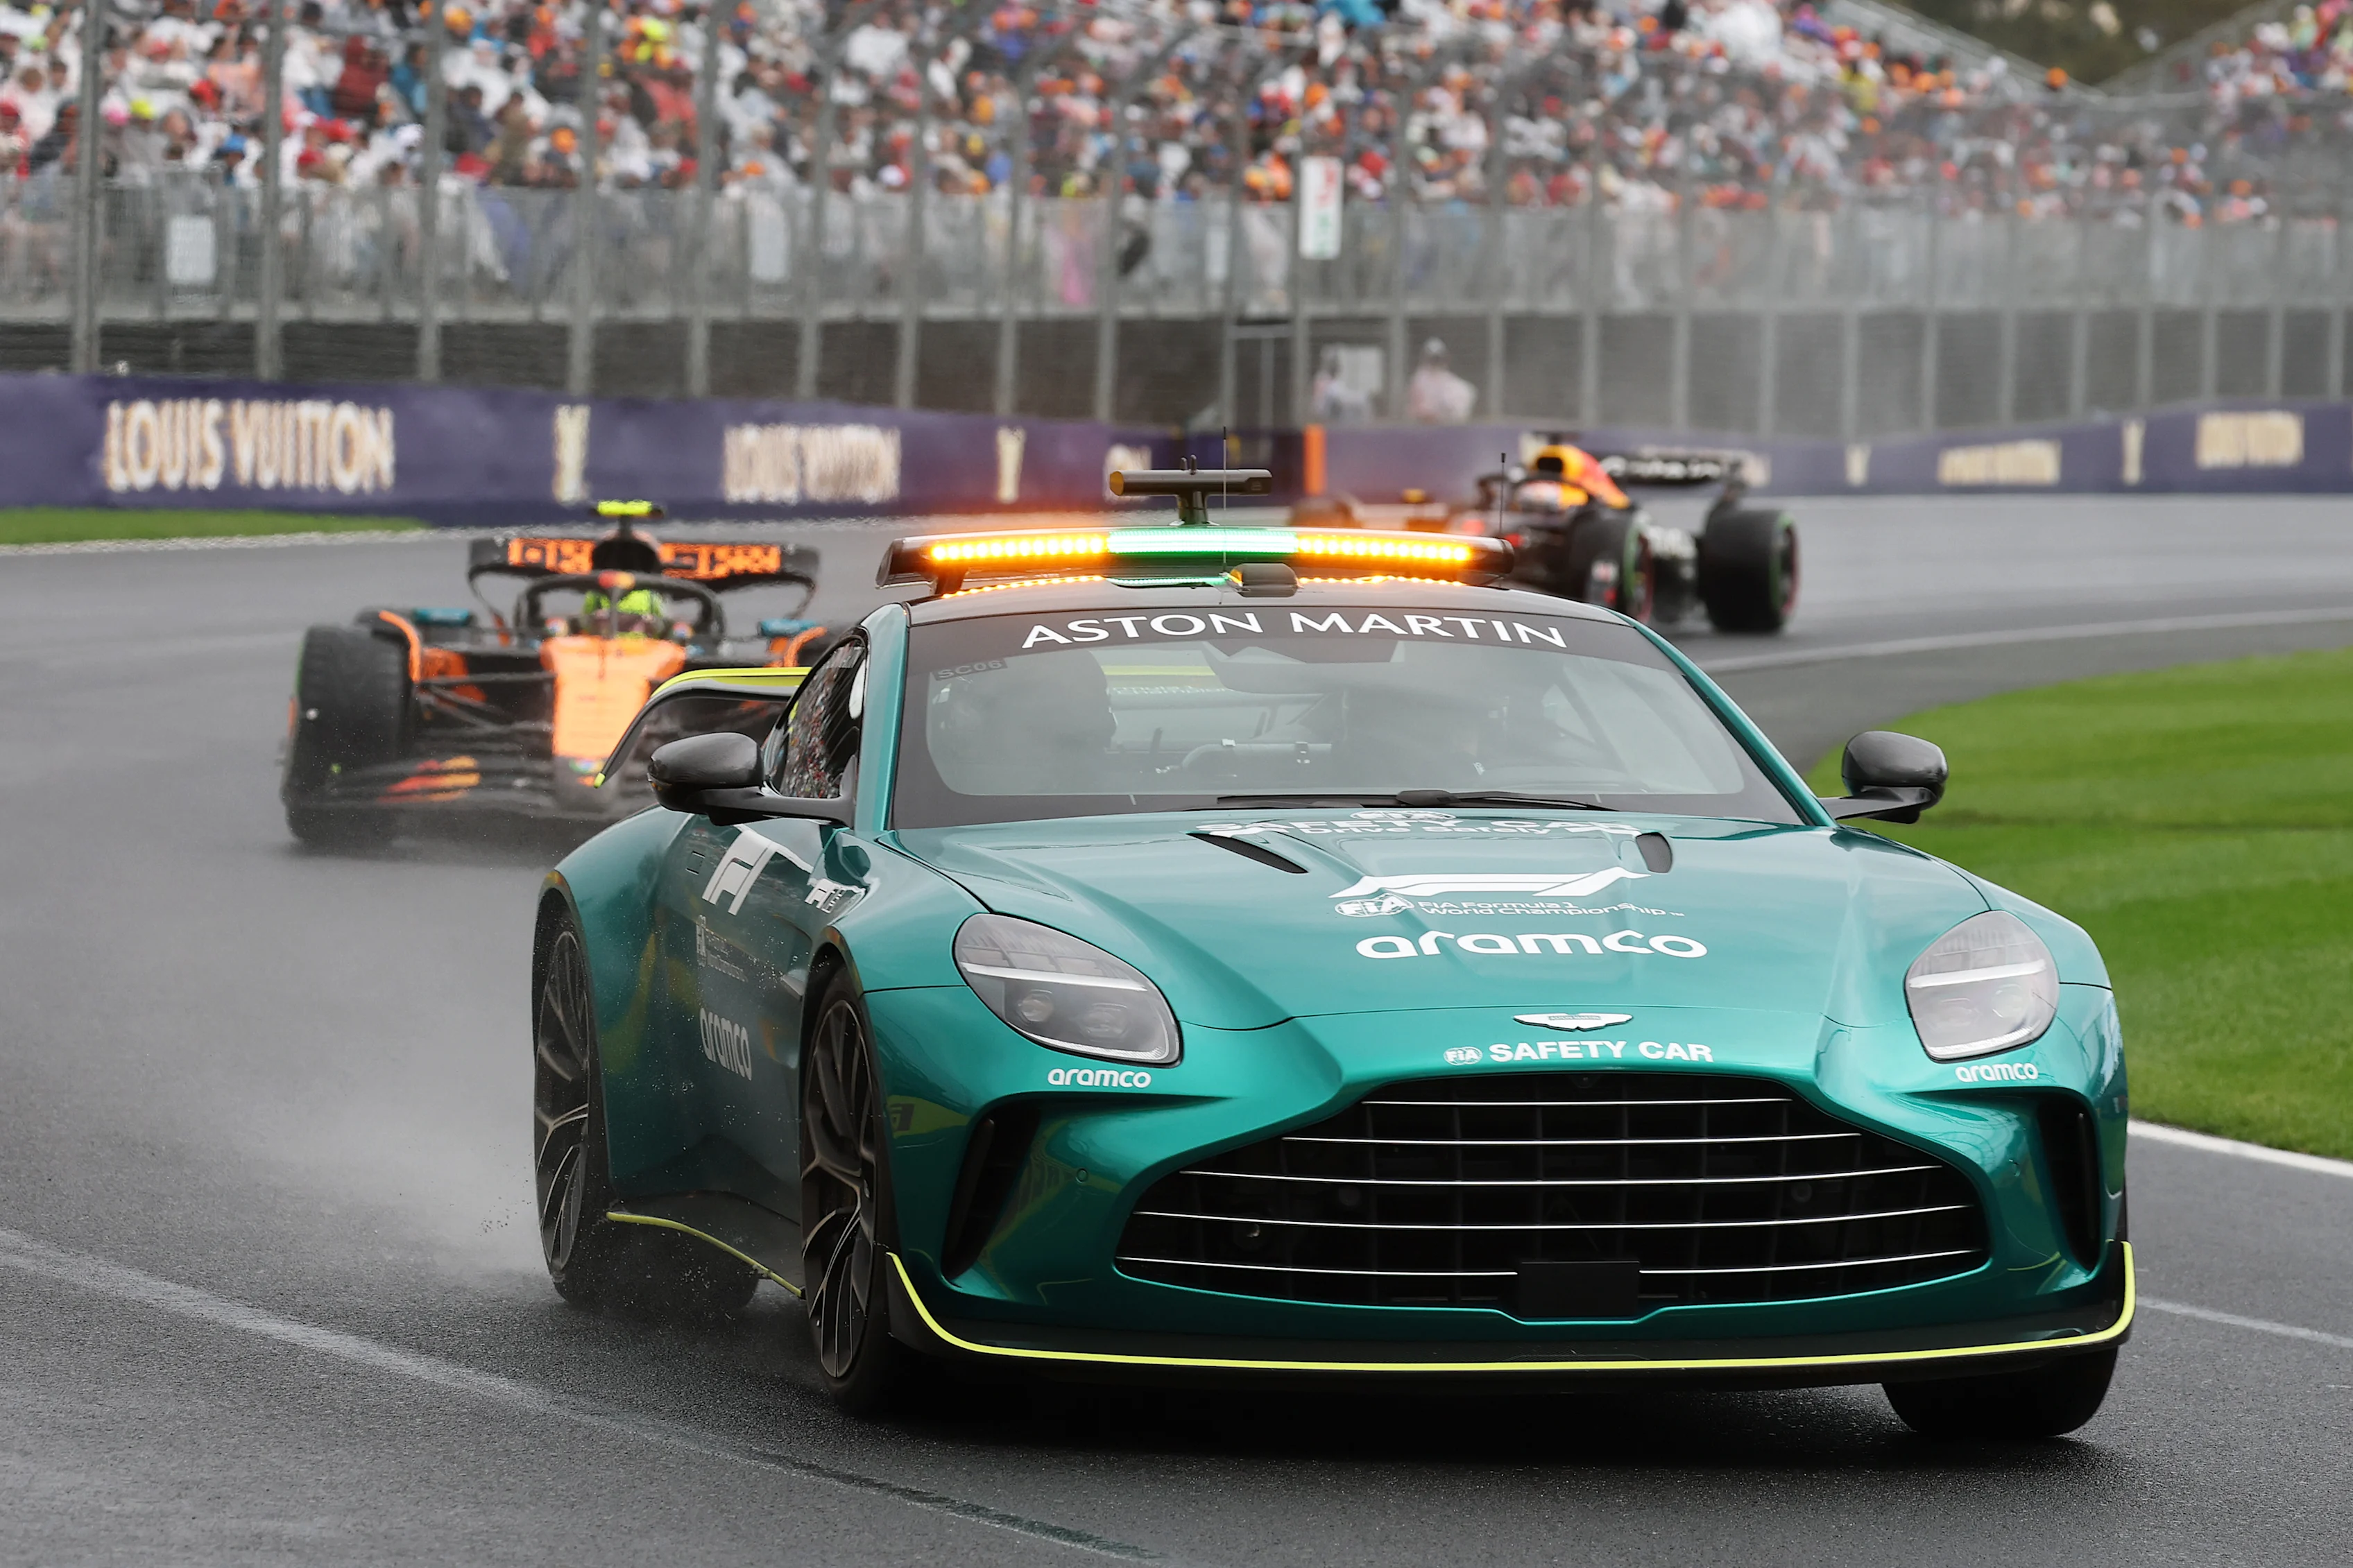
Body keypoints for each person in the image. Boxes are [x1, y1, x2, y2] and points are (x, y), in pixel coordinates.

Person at [1405, 336, 1476, 424]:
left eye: (1437, 358)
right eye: (1433, 358)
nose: (1435, 362)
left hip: (1448, 423)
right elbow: (1416, 409)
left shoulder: (1450, 379)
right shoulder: (1420, 378)